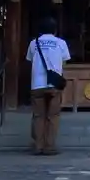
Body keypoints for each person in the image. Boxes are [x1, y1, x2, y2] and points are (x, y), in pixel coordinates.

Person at [26, 17, 70, 155]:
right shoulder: (61, 43)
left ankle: (38, 146)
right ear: (55, 30)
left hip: (37, 85)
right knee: (53, 116)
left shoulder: (34, 43)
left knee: (38, 115)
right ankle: (49, 147)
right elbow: (64, 63)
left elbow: (30, 60)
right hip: (54, 85)